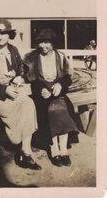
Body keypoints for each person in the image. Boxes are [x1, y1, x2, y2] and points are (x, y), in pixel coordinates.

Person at [0, 18, 41, 170]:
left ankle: (25, 152)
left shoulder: (13, 51)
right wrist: (4, 89)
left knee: (28, 103)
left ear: (9, 35)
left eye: (3, 33)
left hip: (13, 91)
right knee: (11, 111)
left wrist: (20, 77)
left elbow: (21, 69)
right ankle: (15, 141)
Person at [24, 28, 78, 167]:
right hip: (40, 95)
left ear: (53, 43)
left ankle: (64, 150)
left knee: (61, 110)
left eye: (46, 42)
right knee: (49, 112)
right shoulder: (33, 57)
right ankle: (54, 150)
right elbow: (32, 80)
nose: (43, 46)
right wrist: (41, 89)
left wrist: (60, 84)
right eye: (40, 42)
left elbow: (67, 78)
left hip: (57, 93)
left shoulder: (60, 56)